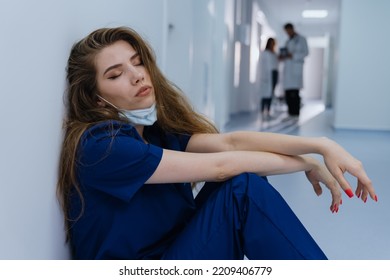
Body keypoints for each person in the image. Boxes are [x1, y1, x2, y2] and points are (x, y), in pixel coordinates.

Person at [57, 26, 377, 260]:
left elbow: (231, 143)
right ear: (97, 100)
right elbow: (222, 167)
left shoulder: (153, 132)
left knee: (247, 176)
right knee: (242, 189)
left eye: (137, 62)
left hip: (174, 253)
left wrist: (319, 145)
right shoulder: (103, 147)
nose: (137, 75)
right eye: (115, 75)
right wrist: (308, 161)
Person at [279, 23, 309, 117]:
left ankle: (296, 113)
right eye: (286, 31)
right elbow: (287, 54)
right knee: (288, 93)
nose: (287, 33)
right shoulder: (287, 41)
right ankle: (290, 113)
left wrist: (293, 56)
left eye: (288, 30)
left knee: (294, 93)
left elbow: (306, 52)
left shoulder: (301, 39)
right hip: (288, 69)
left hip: (296, 69)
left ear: (292, 29)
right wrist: (283, 56)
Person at [259, 38, 279, 119]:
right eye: (271, 43)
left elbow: (276, 63)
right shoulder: (264, 53)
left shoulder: (274, 54)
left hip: (274, 74)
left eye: (273, 43)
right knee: (264, 94)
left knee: (271, 93)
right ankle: (262, 110)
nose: (272, 45)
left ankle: (268, 111)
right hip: (266, 75)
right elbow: (262, 65)